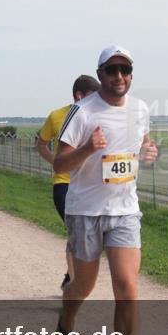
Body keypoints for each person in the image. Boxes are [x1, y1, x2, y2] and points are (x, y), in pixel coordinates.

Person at [52, 46, 158, 335]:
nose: (119, 76)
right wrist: (87, 149)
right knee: (83, 286)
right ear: (100, 74)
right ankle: (66, 320)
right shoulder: (83, 111)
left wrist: (149, 152)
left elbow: (141, 145)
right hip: (85, 211)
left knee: (127, 288)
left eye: (125, 70)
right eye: (111, 70)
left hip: (125, 210)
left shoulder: (140, 109)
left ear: (131, 74)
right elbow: (59, 164)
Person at [36, 75, 100, 290]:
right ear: (79, 96)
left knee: (88, 235)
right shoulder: (57, 116)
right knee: (76, 232)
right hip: (64, 184)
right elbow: (41, 143)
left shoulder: (100, 115)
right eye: (93, 96)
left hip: (91, 185)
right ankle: (73, 283)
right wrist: (56, 162)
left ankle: (70, 276)